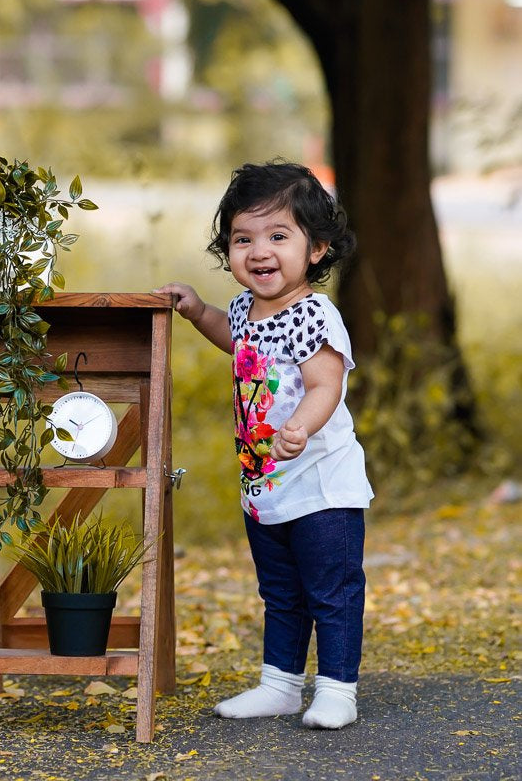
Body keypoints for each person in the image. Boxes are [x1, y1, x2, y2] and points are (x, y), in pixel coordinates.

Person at [156, 161, 373, 729]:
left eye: (279, 236)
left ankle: (337, 691)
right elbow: (235, 341)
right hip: (265, 482)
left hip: (322, 483)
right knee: (279, 591)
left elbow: (326, 383)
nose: (259, 252)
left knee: (332, 590)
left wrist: (300, 425)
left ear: (317, 248)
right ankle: (280, 685)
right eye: (242, 239)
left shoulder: (313, 314)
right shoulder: (245, 310)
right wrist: (197, 309)